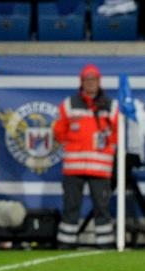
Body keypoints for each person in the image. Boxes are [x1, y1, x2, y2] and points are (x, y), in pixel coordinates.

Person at [53, 64, 118, 249]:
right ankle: (66, 243)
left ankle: (105, 245)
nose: (91, 83)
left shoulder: (111, 106)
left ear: (99, 82)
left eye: (94, 80)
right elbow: (59, 132)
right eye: (87, 80)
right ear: (81, 82)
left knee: (102, 209)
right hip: (74, 168)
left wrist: (106, 152)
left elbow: (116, 135)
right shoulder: (69, 104)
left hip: (100, 168)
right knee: (71, 207)